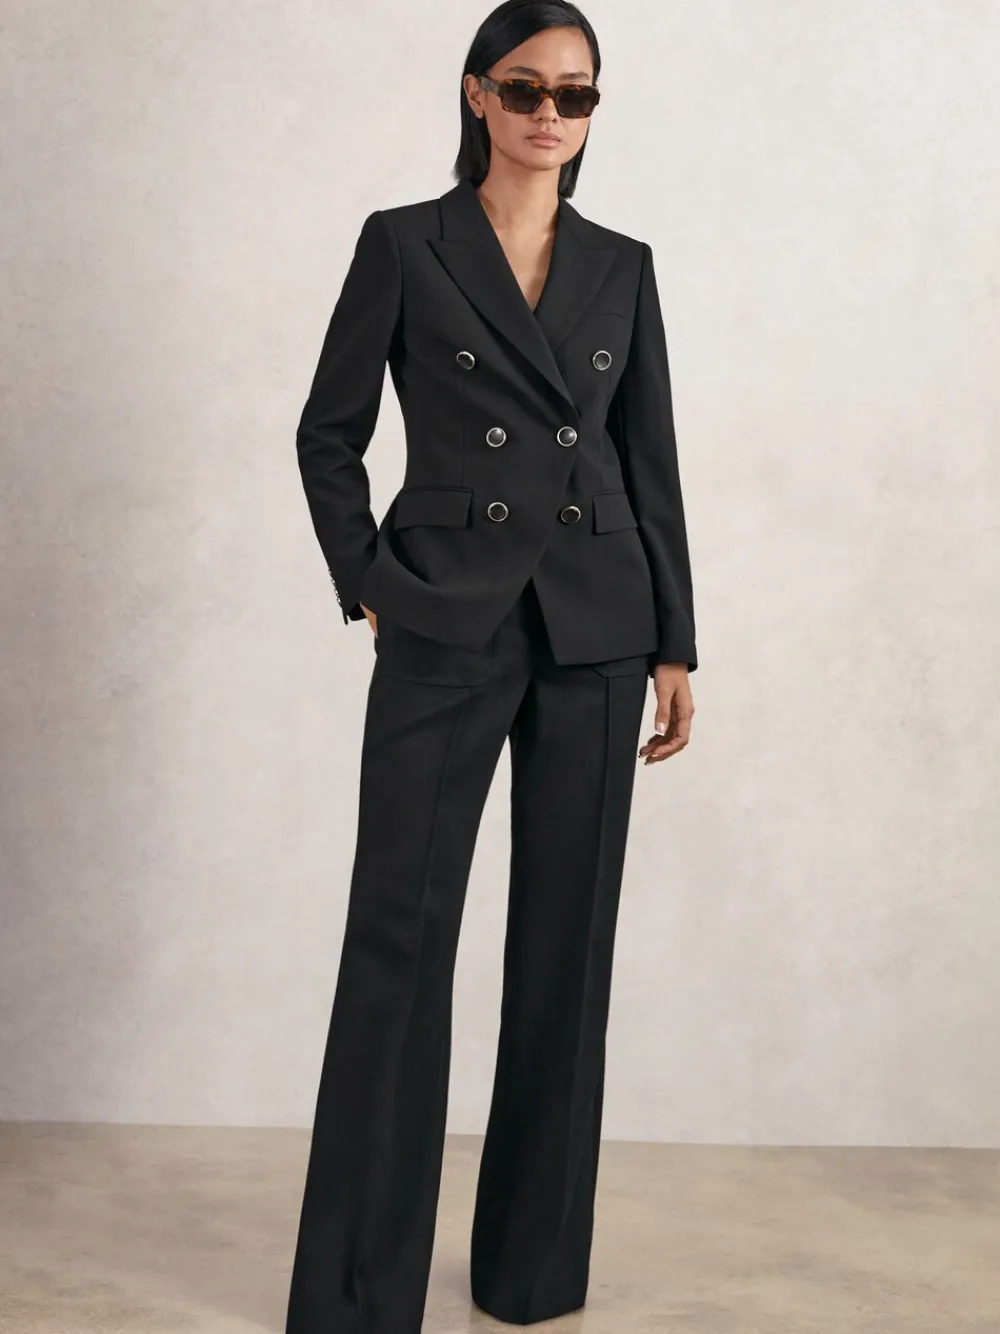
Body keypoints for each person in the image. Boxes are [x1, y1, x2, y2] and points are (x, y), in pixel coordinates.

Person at [284, 2, 697, 1330]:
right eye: (525, 89)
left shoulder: (622, 265)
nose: (549, 116)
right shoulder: (407, 243)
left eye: (576, 95)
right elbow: (329, 433)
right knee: (397, 939)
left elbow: (647, 461)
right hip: (446, 615)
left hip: (598, 623)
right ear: (477, 94)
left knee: (568, 949)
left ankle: (531, 1273)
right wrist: (371, 581)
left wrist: (676, 639)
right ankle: (358, 1292)